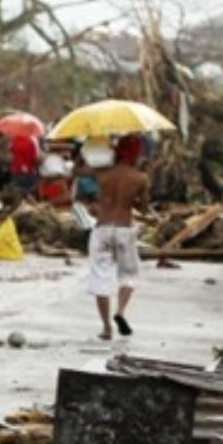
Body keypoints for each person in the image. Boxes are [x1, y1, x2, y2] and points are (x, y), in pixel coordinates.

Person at [82, 134, 149, 341]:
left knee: (101, 278)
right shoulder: (140, 178)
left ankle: (106, 328)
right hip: (124, 228)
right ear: (136, 154)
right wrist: (134, 200)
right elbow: (145, 208)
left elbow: (80, 173)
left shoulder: (103, 173)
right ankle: (120, 311)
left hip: (102, 228)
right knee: (128, 275)